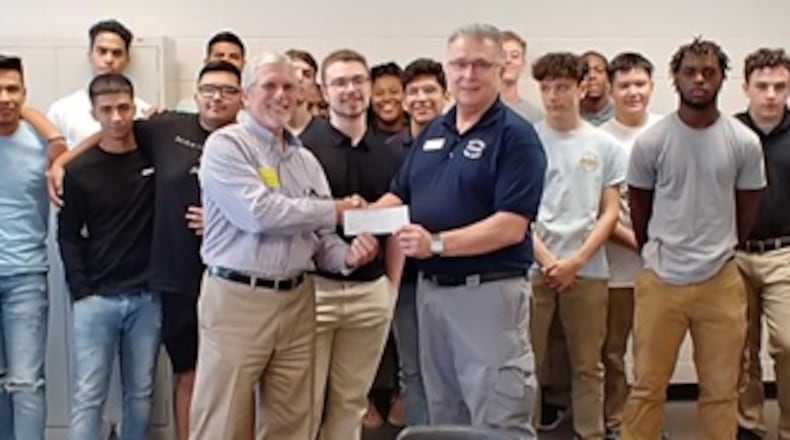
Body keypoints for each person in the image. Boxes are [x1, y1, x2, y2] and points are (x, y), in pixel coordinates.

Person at [188, 51, 379, 440]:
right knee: (222, 421)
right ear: (246, 95)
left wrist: (347, 257)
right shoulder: (227, 146)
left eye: (289, 86)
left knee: (294, 421)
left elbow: (321, 241)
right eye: (269, 86)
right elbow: (260, 214)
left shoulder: (305, 160)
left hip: (298, 300)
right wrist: (337, 210)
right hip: (238, 299)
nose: (281, 95)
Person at [49, 60, 244, 440]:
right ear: (196, 94)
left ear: (242, 98)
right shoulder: (168, 127)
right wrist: (62, 162)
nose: (216, 97)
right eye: (208, 89)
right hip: (172, 281)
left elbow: (269, 205)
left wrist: (224, 221)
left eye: (228, 90)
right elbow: (114, 133)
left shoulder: (251, 139)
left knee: (234, 380)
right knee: (178, 374)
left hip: (234, 281)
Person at [375, 23, 546, 439]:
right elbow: (399, 196)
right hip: (433, 298)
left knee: (497, 415)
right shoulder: (435, 131)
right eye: (459, 64)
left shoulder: (516, 137)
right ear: (447, 69)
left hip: (487, 295)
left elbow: (511, 226)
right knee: (444, 414)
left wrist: (435, 244)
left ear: (502, 68)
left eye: (480, 65)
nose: (468, 75)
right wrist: (351, 221)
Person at [621, 38, 766, 440]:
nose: (699, 80)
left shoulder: (744, 142)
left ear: (721, 78)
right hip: (661, 282)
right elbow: (639, 207)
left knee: (721, 391)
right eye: (690, 72)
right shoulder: (652, 141)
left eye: (708, 72)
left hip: (720, 281)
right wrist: (656, 250)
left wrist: (721, 247)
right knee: (648, 386)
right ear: (676, 78)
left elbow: (747, 209)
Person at [299, 48, 403, 439]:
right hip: (314, 293)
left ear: (370, 86)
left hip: (370, 295)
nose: (350, 90)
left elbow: (397, 227)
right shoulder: (301, 149)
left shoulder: (390, 154)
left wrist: (389, 290)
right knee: (301, 402)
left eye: (358, 80)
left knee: (352, 402)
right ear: (323, 90)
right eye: (339, 82)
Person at [57, 73, 161, 440]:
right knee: (89, 394)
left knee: (141, 394)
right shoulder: (79, 171)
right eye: (107, 110)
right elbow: (67, 235)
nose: (117, 117)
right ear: (94, 113)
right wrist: (81, 291)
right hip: (96, 298)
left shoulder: (154, 158)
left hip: (147, 297)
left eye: (123, 108)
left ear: (134, 107)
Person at [529, 51, 625, 440]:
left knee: (589, 364)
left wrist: (577, 260)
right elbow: (515, 210)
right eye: (547, 88)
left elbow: (610, 212)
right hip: (535, 265)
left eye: (563, 87)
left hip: (589, 269)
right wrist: (549, 260)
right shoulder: (526, 141)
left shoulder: (605, 145)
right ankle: (526, 432)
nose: (554, 96)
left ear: (581, 87)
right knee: (529, 363)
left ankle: (591, 433)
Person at [598, 51, 662, 439]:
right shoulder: (600, 139)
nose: (633, 92)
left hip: (662, 267)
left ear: (652, 88)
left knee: (653, 354)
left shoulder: (668, 131)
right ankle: (618, 422)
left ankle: (647, 424)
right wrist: (641, 242)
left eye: (640, 84)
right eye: (624, 85)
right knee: (612, 353)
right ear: (611, 89)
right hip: (616, 267)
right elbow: (598, 209)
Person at [385, 57, 449, 427]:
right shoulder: (390, 149)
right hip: (406, 278)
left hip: (450, 273)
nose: (422, 98)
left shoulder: (460, 143)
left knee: (452, 368)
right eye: (414, 92)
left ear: (445, 94)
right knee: (412, 368)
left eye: (430, 90)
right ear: (405, 99)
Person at [735, 47, 790, 440]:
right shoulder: (729, 132)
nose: (771, 95)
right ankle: (749, 425)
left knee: (788, 344)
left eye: (780, 86)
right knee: (740, 348)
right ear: (746, 88)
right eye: (763, 86)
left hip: (784, 253)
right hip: (735, 255)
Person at [0, 55, 50, 440]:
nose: (5, 97)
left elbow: (72, 164)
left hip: (26, 278)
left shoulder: (41, 141)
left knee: (26, 383)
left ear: (24, 93)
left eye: (12, 89)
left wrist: (53, 135)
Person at [47, 19, 150, 147]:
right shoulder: (62, 111)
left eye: (116, 53)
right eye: (102, 51)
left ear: (127, 59)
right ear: (90, 55)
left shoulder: (143, 113)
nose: (109, 59)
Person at [175, 31, 245, 111]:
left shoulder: (255, 112)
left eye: (234, 57)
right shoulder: (185, 109)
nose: (226, 60)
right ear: (206, 62)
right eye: (219, 55)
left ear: (243, 64)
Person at [500, 30, 543, 122]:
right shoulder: (476, 111)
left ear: (523, 64)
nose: (508, 60)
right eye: (503, 55)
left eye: (514, 56)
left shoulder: (535, 116)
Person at [369, 62, 406, 135]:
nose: (387, 98)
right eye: (379, 93)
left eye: (394, 92)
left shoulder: (419, 134)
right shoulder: (359, 139)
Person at [580, 51, 614, 126]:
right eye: (586, 72)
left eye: (599, 70)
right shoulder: (568, 118)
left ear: (609, 78)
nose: (592, 76)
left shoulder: (621, 116)